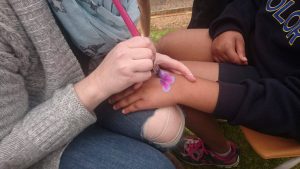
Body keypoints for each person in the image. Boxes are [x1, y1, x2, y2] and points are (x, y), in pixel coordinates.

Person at [0, 0, 196, 169]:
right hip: (36, 126)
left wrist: (137, 59)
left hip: (91, 97)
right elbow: (4, 153)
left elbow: (93, 51)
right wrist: (97, 84)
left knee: (168, 125)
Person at [111, 0, 300, 168]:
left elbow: (289, 106)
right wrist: (231, 26)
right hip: (250, 47)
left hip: (279, 90)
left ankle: (222, 152)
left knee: (169, 81)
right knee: (168, 46)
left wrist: (183, 89)